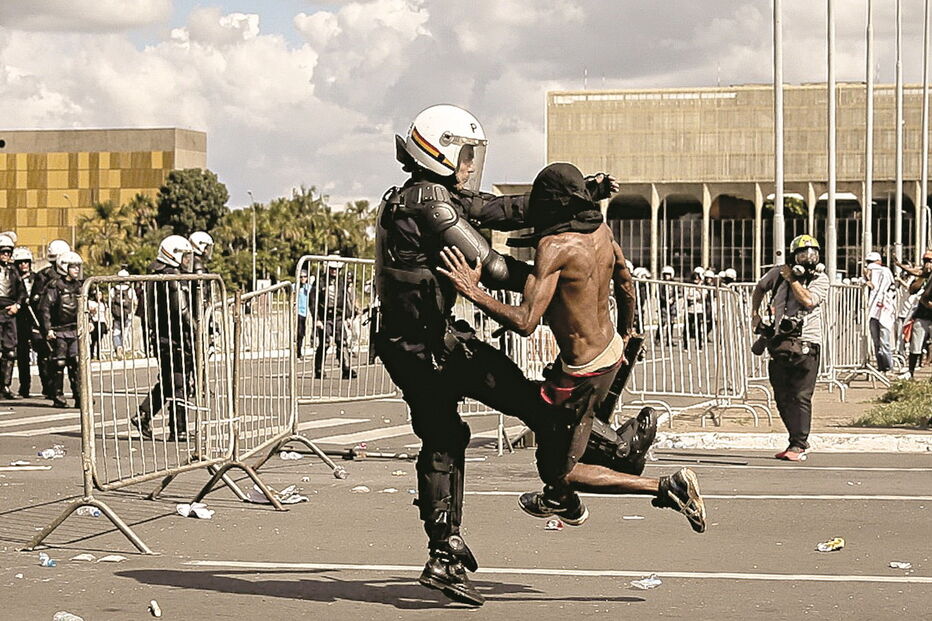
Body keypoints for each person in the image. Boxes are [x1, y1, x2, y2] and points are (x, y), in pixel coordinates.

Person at [374, 106, 640, 606]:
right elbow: (491, 265)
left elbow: (500, 210)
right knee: (522, 400)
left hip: (414, 342)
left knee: (445, 434)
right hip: (430, 347)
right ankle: (611, 450)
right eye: (466, 153)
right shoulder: (429, 206)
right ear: (441, 149)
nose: (472, 163)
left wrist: (576, 194)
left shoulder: (424, 196)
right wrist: (560, 283)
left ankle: (444, 556)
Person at [438, 162, 705, 542]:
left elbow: (527, 321)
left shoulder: (554, 247)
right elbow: (626, 283)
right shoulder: (601, 231)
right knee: (552, 428)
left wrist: (474, 292)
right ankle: (562, 498)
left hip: (582, 372)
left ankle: (664, 486)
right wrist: (627, 333)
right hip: (611, 351)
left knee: (560, 468)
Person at [751, 235, 830, 461]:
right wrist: (754, 315)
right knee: (781, 395)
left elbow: (808, 301)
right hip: (781, 342)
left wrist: (792, 280)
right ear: (793, 256)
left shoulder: (821, 279)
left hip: (808, 343)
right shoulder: (778, 274)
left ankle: (799, 445)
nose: (808, 259)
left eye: (813, 254)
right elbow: (759, 288)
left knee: (801, 395)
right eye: (803, 254)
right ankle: (793, 440)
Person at [130, 235, 196, 442]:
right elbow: (181, 309)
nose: (188, 261)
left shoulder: (157, 274)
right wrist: (196, 329)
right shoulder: (171, 277)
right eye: (185, 256)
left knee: (169, 381)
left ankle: (144, 414)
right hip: (173, 338)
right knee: (179, 383)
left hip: (164, 337)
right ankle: (178, 429)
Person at [38, 251, 84, 408]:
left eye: (78, 267)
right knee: (59, 363)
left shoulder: (80, 286)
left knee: (77, 362)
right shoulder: (54, 286)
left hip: (74, 329)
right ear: (64, 268)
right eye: (73, 267)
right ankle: (57, 396)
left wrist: (89, 321)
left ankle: (79, 396)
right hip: (59, 330)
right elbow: (44, 308)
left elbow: (84, 307)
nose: (77, 270)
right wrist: (48, 329)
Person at [32, 240, 71, 398]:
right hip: (48, 322)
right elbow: (37, 301)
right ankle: (51, 389)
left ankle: (76, 392)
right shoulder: (44, 275)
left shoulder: (73, 275)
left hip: (66, 322)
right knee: (47, 356)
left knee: (72, 359)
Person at [311, 260, 356, 379]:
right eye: (332, 268)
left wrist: (348, 317)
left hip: (339, 316)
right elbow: (313, 301)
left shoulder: (341, 282)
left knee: (342, 342)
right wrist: (317, 319)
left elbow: (345, 299)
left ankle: (346, 369)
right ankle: (319, 369)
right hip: (325, 316)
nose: (334, 271)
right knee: (325, 343)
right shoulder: (320, 282)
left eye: (336, 269)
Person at [0, 235, 25, 399]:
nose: (6, 255)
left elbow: (22, 291)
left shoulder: (13, 271)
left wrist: (18, 305)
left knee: (10, 352)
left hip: (9, 312)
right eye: (3, 252)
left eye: (9, 252)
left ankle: (5, 386)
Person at [863, 251, 896, 374]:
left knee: (884, 341)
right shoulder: (868, 274)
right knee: (876, 342)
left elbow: (887, 288)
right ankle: (880, 367)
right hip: (872, 311)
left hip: (884, 311)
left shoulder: (885, 272)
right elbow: (862, 284)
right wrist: (867, 280)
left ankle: (888, 367)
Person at [13, 247, 37, 397]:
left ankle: (49, 386)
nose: (23, 265)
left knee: (44, 353)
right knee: (22, 355)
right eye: (20, 262)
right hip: (20, 319)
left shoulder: (37, 278)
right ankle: (24, 386)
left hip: (35, 319)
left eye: (26, 262)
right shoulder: (13, 279)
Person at [904, 251, 932, 378]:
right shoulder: (921, 276)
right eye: (926, 260)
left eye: (930, 261)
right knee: (916, 345)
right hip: (922, 315)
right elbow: (912, 290)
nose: (928, 264)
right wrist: (922, 277)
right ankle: (911, 373)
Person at [109, 269, 136, 359]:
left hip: (116, 315)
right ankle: (123, 347)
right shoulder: (130, 290)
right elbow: (135, 302)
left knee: (116, 332)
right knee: (126, 333)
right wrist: (132, 312)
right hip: (127, 314)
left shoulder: (113, 289)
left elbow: (110, 303)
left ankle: (118, 347)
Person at [656, 265, 678, 345]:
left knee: (671, 322)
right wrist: (665, 300)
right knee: (662, 322)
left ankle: (670, 340)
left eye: (668, 274)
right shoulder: (661, 283)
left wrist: (673, 299)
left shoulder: (674, 283)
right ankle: (658, 339)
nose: (666, 276)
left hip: (672, 305)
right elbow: (659, 294)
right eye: (665, 274)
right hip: (663, 305)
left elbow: (677, 293)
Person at [295, 269, 311, 359]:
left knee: (303, 333)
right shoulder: (295, 287)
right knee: (299, 333)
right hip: (298, 312)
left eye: (304, 276)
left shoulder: (308, 287)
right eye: (301, 277)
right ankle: (298, 352)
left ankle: (300, 350)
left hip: (306, 313)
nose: (302, 278)